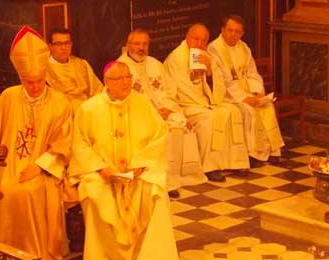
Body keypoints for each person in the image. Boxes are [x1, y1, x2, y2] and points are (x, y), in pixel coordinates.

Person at [69, 61, 178, 260]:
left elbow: (160, 136)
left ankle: (156, 259)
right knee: (92, 189)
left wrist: (141, 165)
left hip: (137, 172)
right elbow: (79, 144)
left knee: (156, 192)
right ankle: (104, 256)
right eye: (119, 78)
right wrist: (100, 168)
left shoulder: (143, 104)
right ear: (107, 81)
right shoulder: (89, 108)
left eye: (128, 77)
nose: (126, 82)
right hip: (103, 172)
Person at [0, 26, 74, 260]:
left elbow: (64, 144)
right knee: (1, 189)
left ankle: (36, 252)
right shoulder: (9, 96)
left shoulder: (60, 102)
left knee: (28, 191)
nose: (35, 87)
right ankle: (2, 250)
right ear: (21, 79)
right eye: (29, 82)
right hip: (7, 164)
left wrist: (39, 167)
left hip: (43, 166)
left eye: (39, 81)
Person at [117, 29, 206, 189]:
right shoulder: (120, 67)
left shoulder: (155, 64)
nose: (141, 48)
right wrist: (153, 112)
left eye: (145, 44)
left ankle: (179, 177)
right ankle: (162, 180)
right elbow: (121, 98)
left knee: (180, 124)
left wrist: (168, 108)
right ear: (128, 45)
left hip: (164, 111)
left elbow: (170, 90)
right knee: (164, 131)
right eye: (137, 44)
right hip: (139, 117)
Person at [164, 23, 250, 182]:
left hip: (205, 102)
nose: (199, 43)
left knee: (234, 111)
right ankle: (209, 167)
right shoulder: (176, 58)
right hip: (185, 105)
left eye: (203, 40)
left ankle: (234, 162)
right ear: (187, 37)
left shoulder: (206, 56)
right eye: (195, 39)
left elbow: (219, 86)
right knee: (209, 118)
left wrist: (209, 71)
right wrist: (205, 105)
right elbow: (181, 89)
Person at [208, 15, 284, 166]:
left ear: (242, 33)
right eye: (230, 30)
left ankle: (271, 150)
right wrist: (244, 98)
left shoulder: (244, 47)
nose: (233, 35)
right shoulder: (214, 49)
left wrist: (258, 92)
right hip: (228, 95)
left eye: (237, 32)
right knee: (249, 111)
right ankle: (252, 154)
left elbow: (252, 73)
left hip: (247, 91)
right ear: (222, 30)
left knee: (266, 106)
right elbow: (224, 81)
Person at [45, 27, 103, 112]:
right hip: (63, 113)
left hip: (88, 111)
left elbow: (98, 90)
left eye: (67, 43)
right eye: (58, 44)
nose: (64, 47)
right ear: (50, 46)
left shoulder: (82, 64)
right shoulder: (44, 70)